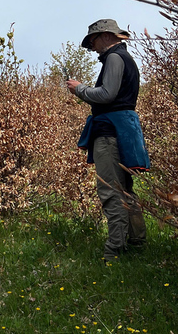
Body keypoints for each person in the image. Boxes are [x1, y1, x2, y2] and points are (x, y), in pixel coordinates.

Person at [66, 19, 149, 261]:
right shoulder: (127, 59)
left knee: (111, 191)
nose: (92, 47)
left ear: (104, 35)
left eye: (92, 41)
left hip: (110, 132)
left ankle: (114, 252)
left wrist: (79, 89)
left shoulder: (114, 57)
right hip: (125, 130)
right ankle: (137, 244)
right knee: (126, 191)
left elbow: (106, 94)